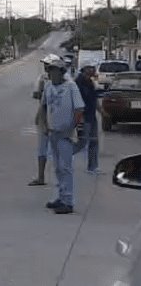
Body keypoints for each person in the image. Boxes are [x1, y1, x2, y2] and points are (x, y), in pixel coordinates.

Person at [41, 56, 84, 214]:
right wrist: (45, 125)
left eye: (53, 70)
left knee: (66, 167)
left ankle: (68, 201)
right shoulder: (48, 87)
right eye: (49, 70)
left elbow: (79, 109)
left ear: (61, 72)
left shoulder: (71, 87)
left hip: (65, 133)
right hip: (53, 132)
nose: (51, 74)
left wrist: (72, 128)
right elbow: (44, 106)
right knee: (58, 167)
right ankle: (60, 196)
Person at [29, 54, 66, 186]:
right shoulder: (43, 78)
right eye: (45, 65)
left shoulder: (66, 80)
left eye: (49, 65)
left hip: (59, 118)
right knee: (42, 149)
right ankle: (41, 177)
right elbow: (36, 94)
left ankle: (61, 178)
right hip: (44, 116)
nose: (46, 67)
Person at [74, 63, 101, 175]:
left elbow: (94, 99)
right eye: (91, 68)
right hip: (83, 116)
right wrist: (79, 118)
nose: (93, 70)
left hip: (91, 116)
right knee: (82, 142)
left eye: (93, 68)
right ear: (85, 69)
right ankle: (63, 157)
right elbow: (76, 102)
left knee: (94, 141)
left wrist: (101, 111)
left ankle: (92, 167)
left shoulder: (90, 82)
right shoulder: (78, 83)